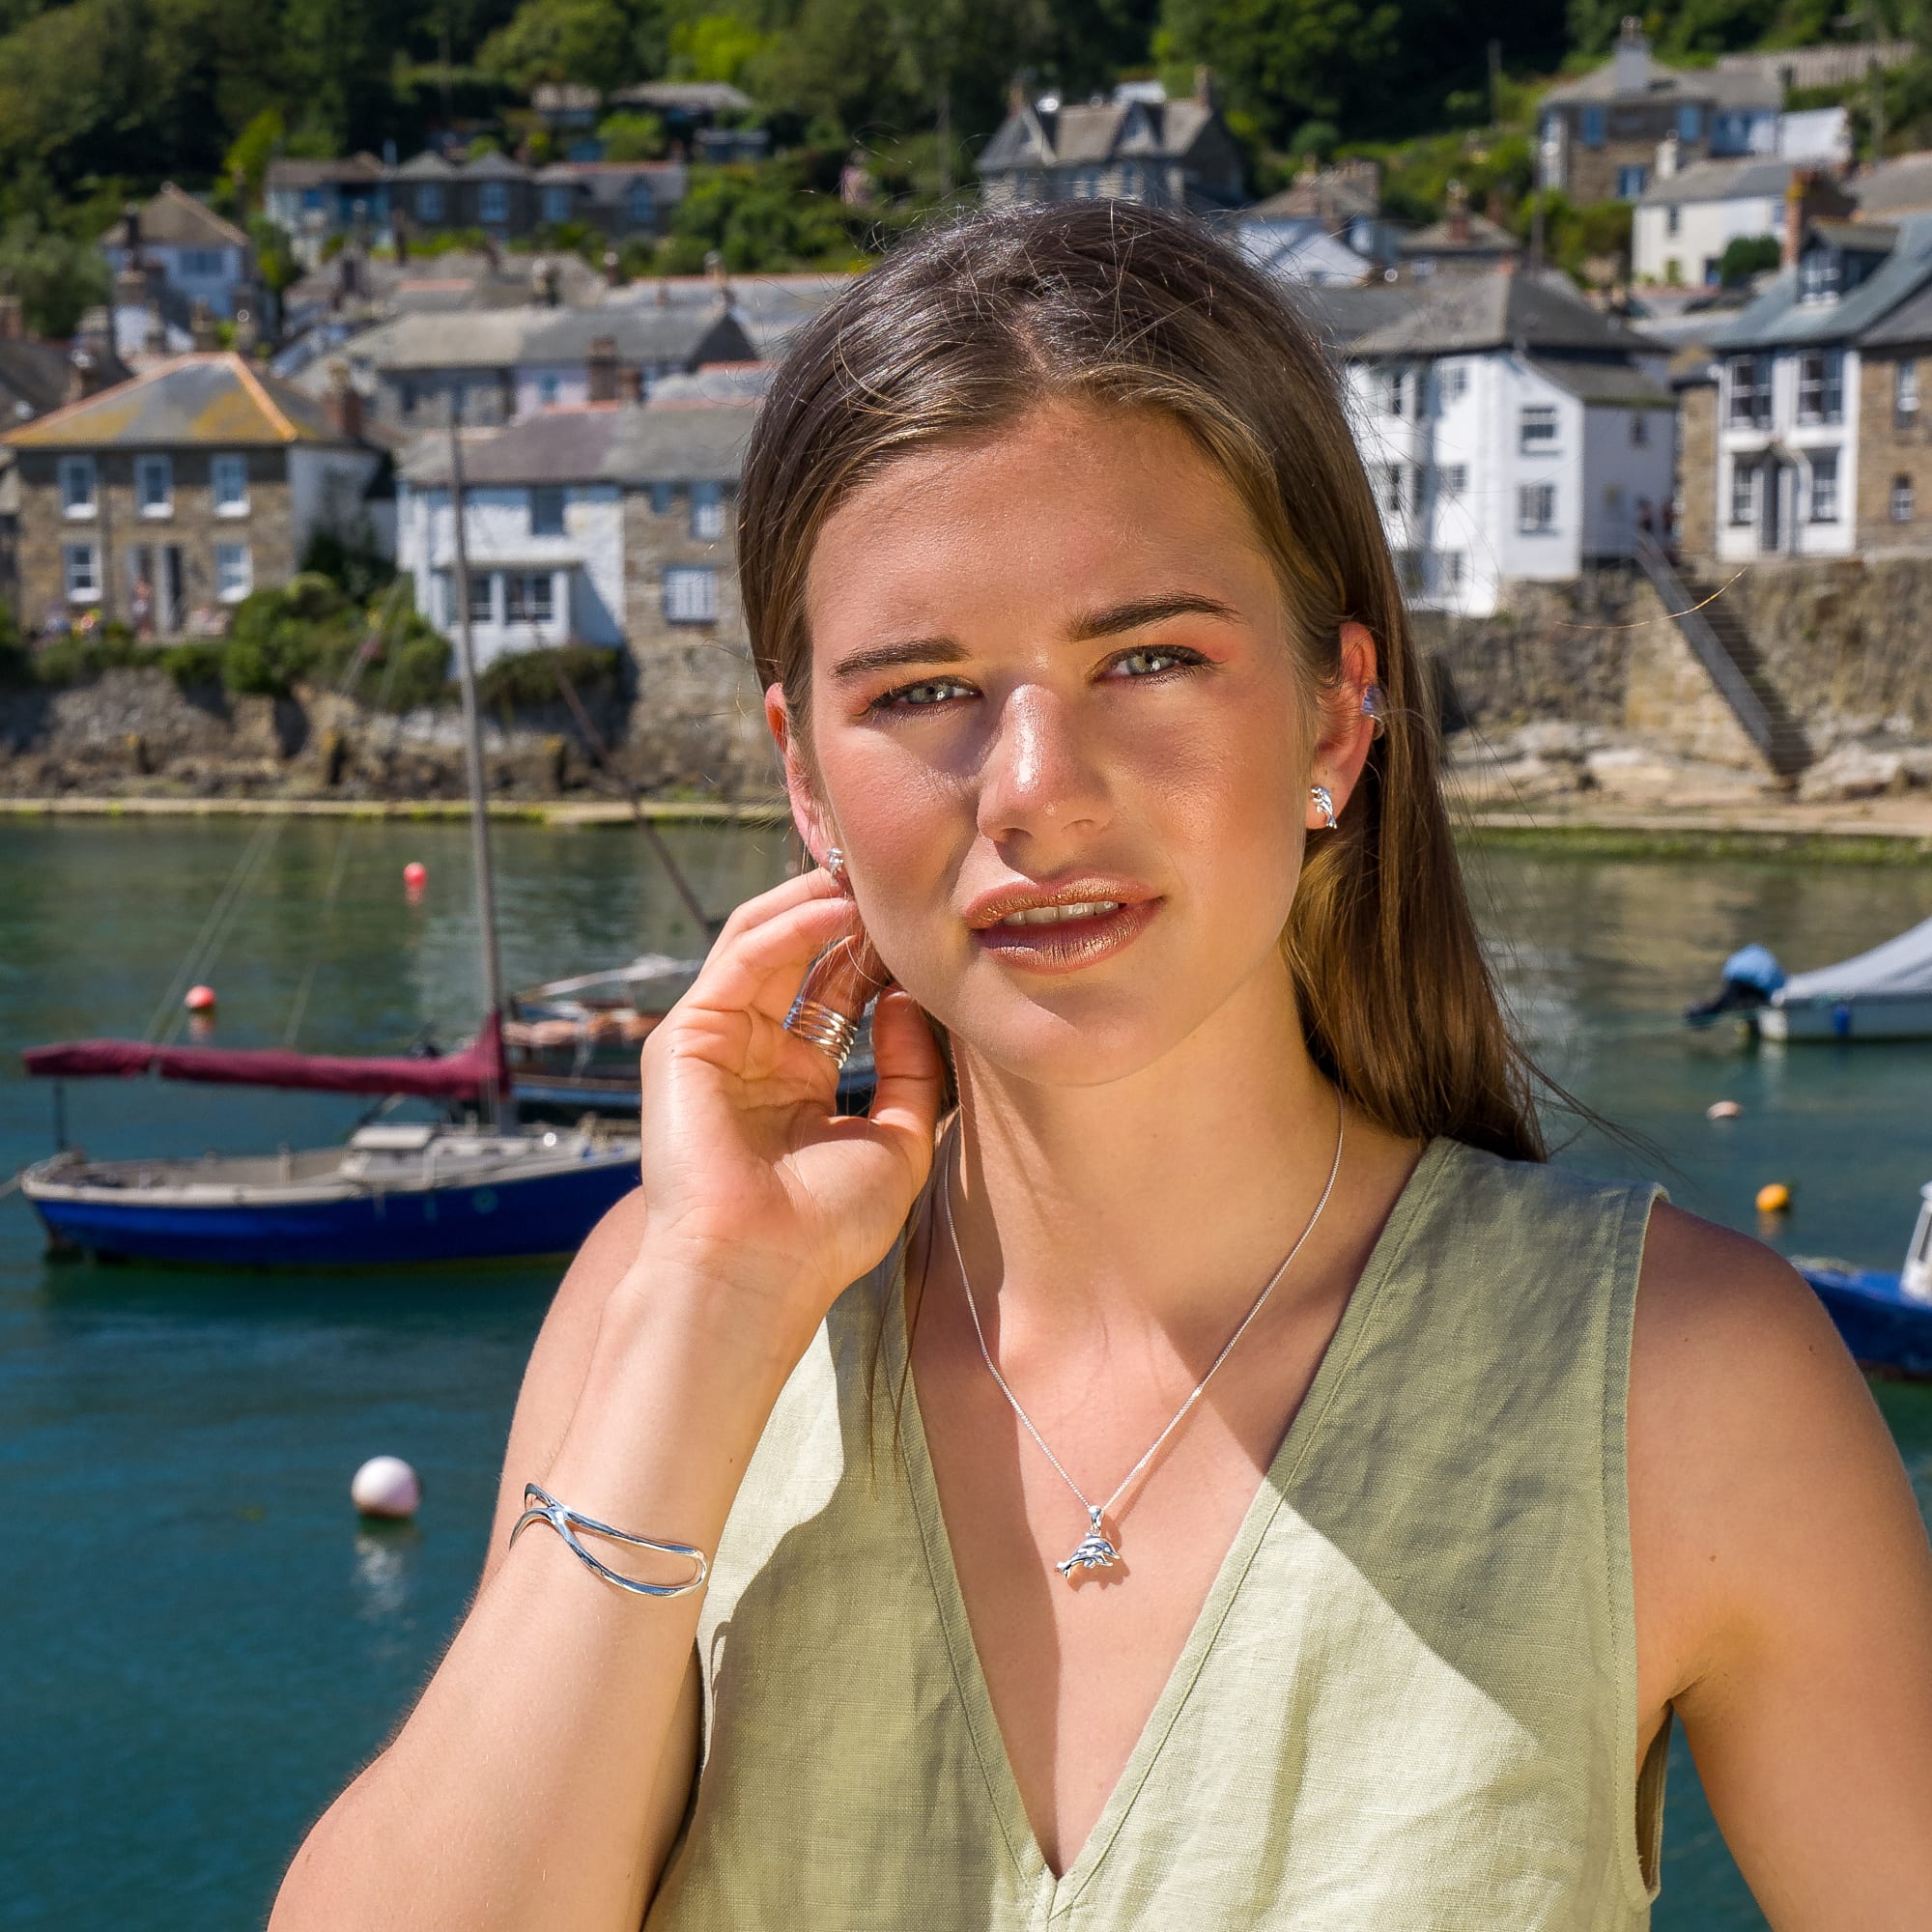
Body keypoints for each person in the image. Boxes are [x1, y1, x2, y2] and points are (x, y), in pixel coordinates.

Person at [271, 202, 1932, 1930]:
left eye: (1150, 657)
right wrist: (707, 1309)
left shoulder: (1681, 1386)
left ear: (1335, 717)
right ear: (803, 778)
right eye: (924, 690)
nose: (1035, 793)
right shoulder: (663, 1317)